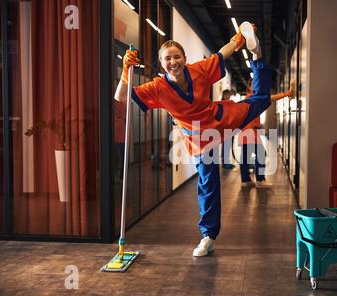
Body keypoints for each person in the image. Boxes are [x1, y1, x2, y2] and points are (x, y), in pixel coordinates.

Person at [114, 22, 271, 257]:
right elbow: (120, 97)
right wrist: (126, 70)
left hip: (220, 118)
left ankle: (256, 54)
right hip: (200, 139)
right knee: (208, 183)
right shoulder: (157, 88)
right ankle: (208, 236)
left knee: (262, 99)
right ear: (161, 63)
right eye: (167, 58)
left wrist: (240, 40)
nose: (173, 62)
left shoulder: (198, 70)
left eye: (176, 56)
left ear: (184, 58)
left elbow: (222, 54)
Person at [238, 81, 293, 188]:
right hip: (249, 132)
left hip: (248, 132)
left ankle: (246, 180)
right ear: (249, 87)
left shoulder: (250, 98)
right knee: (260, 154)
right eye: (253, 84)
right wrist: (288, 93)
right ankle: (259, 180)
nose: (256, 85)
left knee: (246, 156)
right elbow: (271, 97)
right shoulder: (252, 98)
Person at [220, 89, 236, 170]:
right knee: (225, 146)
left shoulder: (229, 104)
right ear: (223, 95)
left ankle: (227, 162)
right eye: (226, 95)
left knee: (228, 145)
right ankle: (225, 163)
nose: (228, 96)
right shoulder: (221, 104)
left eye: (229, 95)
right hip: (224, 128)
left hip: (230, 128)